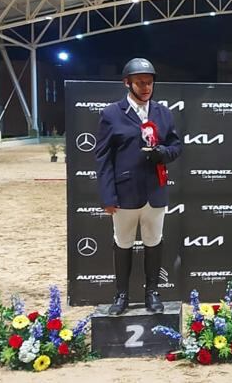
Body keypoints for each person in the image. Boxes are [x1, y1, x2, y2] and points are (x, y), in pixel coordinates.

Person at [95, 58, 182, 314]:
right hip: (124, 194)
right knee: (122, 243)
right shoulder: (111, 113)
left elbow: (177, 147)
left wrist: (162, 152)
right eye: (140, 83)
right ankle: (121, 295)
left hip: (155, 191)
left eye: (149, 82)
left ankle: (152, 293)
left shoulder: (164, 113)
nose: (146, 87)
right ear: (127, 83)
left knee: (154, 242)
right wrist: (107, 195)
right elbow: (102, 157)